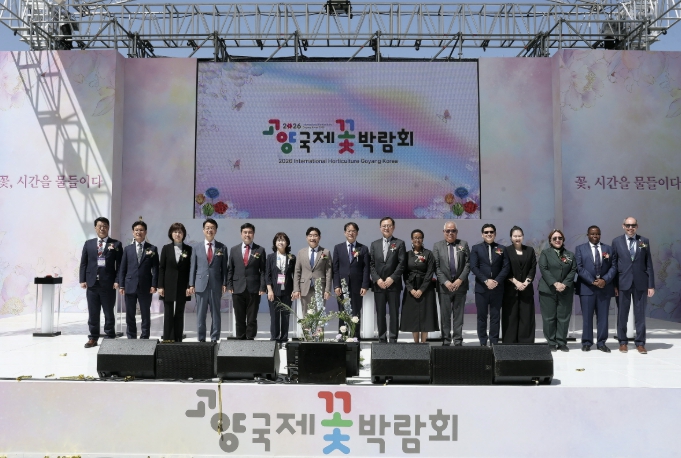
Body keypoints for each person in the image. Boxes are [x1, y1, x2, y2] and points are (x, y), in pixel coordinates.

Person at [611, 217, 655, 354]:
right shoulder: (617, 241)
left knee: (640, 315)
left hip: (640, 283)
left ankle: (640, 343)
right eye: (628, 225)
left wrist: (651, 285)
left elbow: (648, 263)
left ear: (637, 226)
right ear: (623, 226)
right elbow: (613, 264)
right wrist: (614, 285)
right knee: (622, 314)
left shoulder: (643, 241)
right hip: (622, 283)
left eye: (633, 225)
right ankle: (622, 342)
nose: (630, 228)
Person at [79, 217, 123, 348]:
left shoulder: (116, 244)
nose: (102, 228)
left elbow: (120, 265)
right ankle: (93, 337)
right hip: (92, 284)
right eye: (99, 226)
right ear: (95, 228)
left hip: (108, 284)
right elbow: (84, 263)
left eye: (105, 226)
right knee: (93, 312)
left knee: (108, 312)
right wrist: (82, 279)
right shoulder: (88, 244)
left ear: (108, 228)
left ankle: (110, 336)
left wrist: (117, 280)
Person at [575, 225, 617, 353]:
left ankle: (601, 343)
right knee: (587, 317)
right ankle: (587, 342)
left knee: (603, 317)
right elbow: (579, 267)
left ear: (600, 235)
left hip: (604, 288)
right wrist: (593, 281)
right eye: (592, 234)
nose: (595, 236)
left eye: (597, 234)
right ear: (588, 235)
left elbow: (614, 267)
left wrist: (604, 280)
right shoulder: (580, 249)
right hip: (587, 288)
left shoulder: (608, 249)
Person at [470, 223, 510, 346]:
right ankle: (483, 341)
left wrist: (496, 281)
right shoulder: (476, 248)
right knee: (482, 316)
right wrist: (486, 280)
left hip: (497, 288)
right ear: (482, 234)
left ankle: (494, 342)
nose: (489, 234)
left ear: (495, 234)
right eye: (486, 232)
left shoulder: (502, 248)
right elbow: (474, 267)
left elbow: (506, 267)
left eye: (491, 232)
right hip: (482, 288)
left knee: (495, 316)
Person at [188, 218, 228, 342]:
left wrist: (224, 283)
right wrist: (191, 284)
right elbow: (193, 267)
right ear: (203, 230)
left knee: (216, 313)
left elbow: (224, 268)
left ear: (216, 230)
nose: (209, 230)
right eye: (207, 228)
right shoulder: (196, 247)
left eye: (212, 228)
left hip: (216, 285)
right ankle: (201, 339)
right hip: (200, 285)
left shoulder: (222, 247)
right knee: (201, 314)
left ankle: (214, 338)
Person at [118, 221, 159, 339]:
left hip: (146, 286)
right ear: (133, 232)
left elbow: (155, 268)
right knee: (130, 313)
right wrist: (122, 285)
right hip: (130, 285)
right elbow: (122, 268)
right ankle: (131, 336)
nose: (138, 232)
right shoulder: (127, 249)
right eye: (136, 230)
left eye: (141, 230)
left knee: (145, 313)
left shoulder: (152, 248)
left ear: (145, 232)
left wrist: (154, 285)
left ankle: (145, 336)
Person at [538, 229, 577, 352]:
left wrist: (564, 284)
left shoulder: (570, 254)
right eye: (554, 238)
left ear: (563, 239)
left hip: (565, 290)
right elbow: (544, 269)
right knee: (549, 317)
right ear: (550, 241)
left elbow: (573, 270)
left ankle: (561, 342)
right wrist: (555, 283)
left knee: (563, 317)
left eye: (560, 238)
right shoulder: (545, 253)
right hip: (548, 289)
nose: (557, 240)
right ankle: (551, 342)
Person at [369, 217, 406, 343]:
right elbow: (371, 264)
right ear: (380, 228)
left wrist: (392, 278)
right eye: (384, 226)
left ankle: (393, 339)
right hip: (379, 285)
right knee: (380, 313)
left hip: (393, 285)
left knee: (394, 313)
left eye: (389, 225)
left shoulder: (399, 243)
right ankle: (382, 339)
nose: (386, 228)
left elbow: (401, 264)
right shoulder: (374, 244)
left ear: (393, 227)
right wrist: (377, 279)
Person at [432, 221, 470, 346]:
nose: (450, 233)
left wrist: (460, 280)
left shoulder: (463, 244)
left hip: (460, 286)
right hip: (444, 287)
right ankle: (446, 340)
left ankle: (458, 340)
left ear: (456, 232)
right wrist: (446, 282)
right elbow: (436, 267)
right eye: (447, 231)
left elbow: (468, 264)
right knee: (445, 315)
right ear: (443, 232)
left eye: (453, 230)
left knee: (458, 315)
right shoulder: (437, 246)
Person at [227, 223, 267, 340]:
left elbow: (263, 271)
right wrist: (229, 285)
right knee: (239, 316)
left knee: (252, 317)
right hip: (237, 287)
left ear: (253, 234)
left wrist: (262, 287)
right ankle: (240, 337)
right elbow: (230, 269)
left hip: (254, 288)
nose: (247, 235)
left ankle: (250, 338)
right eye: (245, 232)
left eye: (250, 232)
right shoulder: (234, 250)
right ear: (241, 234)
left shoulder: (260, 250)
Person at [332, 222, 371, 340]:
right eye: (348, 231)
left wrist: (365, 285)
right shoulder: (338, 248)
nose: (351, 233)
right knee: (342, 312)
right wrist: (336, 285)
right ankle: (342, 336)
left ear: (357, 233)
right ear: (345, 233)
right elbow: (335, 269)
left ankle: (355, 337)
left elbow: (366, 268)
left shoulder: (363, 248)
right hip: (342, 286)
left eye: (353, 231)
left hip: (357, 286)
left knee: (356, 312)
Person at [400, 229, 438, 343]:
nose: (417, 240)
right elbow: (404, 274)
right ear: (412, 239)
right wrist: (410, 289)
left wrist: (421, 289)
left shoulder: (428, 254)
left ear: (423, 239)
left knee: (425, 315)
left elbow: (430, 273)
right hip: (411, 288)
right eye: (415, 238)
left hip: (426, 289)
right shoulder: (407, 255)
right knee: (413, 316)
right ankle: (416, 343)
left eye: (420, 237)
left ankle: (423, 342)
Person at [157, 222, 192, 342]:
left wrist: (189, 286)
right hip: (168, 285)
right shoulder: (166, 248)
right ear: (171, 234)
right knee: (168, 313)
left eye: (180, 232)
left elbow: (190, 269)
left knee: (179, 312)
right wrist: (160, 286)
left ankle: (178, 338)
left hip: (182, 286)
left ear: (183, 234)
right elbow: (161, 268)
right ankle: (168, 338)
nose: (177, 234)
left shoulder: (188, 249)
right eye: (175, 232)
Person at [501, 226, 537, 343]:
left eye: (519, 236)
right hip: (510, 289)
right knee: (510, 317)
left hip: (526, 289)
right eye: (515, 236)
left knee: (526, 316)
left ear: (523, 237)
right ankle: (510, 342)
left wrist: (526, 283)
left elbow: (532, 268)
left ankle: (526, 342)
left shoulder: (530, 250)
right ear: (511, 237)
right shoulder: (506, 251)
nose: (517, 238)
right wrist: (516, 282)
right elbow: (504, 269)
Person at [265, 232, 296, 343]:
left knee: (286, 315)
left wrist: (295, 290)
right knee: (274, 316)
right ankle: (275, 338)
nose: (280, 242)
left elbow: (295, 275)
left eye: (283, 240)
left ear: (287, 243)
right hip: (274, 291)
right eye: (278, 240)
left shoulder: (292, 257)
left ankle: (284, 338)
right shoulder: (270, 257)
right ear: (275, 243)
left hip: (287, 290)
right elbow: (267, 275)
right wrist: (269, 290)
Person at [292, 227, 333, 309]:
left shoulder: (325, 252)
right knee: (306, 314)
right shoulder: (301, 252)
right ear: (306, 237)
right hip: (304, 288)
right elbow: (297, 272)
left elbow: (328, 272)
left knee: (319, 313)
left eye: (315, 235)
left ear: (319, 237)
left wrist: (327, 290)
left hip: (320, 288)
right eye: (310, 236)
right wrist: (296, 289)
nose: (312, 238)